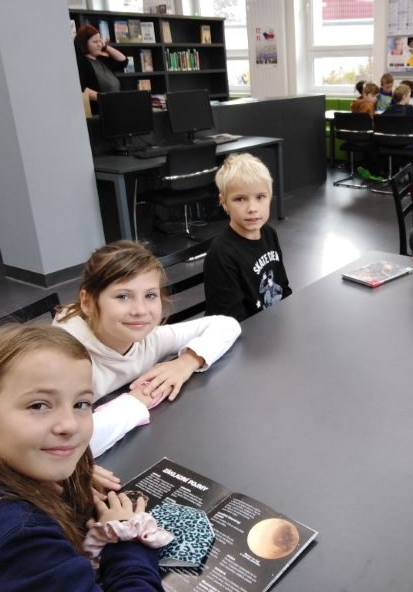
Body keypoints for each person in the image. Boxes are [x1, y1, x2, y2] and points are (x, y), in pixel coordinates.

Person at [0, 324, 170, 590]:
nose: (70, 425)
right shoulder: (19, 537)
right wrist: (126, 541)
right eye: (38, 405)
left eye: (81, 404)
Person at [54, 241, 241, 457]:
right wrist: (139, 399)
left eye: (150, 295)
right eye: (123, 296)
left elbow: (226, 325)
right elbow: (66, 444)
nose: (140, 310)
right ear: (87, 302)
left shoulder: (149, 339)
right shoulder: (63, 363)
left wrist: (186, 362)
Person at [204, 153, 292, 321]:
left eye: (260, 197)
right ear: (224, 202)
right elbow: (229, 322)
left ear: (270, 197)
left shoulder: (269, 234)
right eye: (240, 199)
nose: (252, 208)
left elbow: (283, 287)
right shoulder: (221, 254)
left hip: (274, 323)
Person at [74, 24, 128, 111]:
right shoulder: (80, 61)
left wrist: (105, 47)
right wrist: (104, 99)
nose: (99, 44)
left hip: (114, 107)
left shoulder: (101, 59)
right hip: (99, 110)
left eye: (100, 41)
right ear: (84, 43)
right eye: (95, 42)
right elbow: (82, 88)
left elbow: (123, 61)